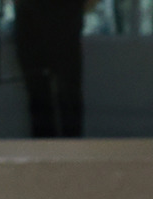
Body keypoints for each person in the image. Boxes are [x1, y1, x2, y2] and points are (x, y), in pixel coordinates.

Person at [12, 0, 94, 137]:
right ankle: (48, 148)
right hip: (31, 18)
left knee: (66, 93)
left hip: (63, 16)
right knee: (39, 95)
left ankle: (69, 149)